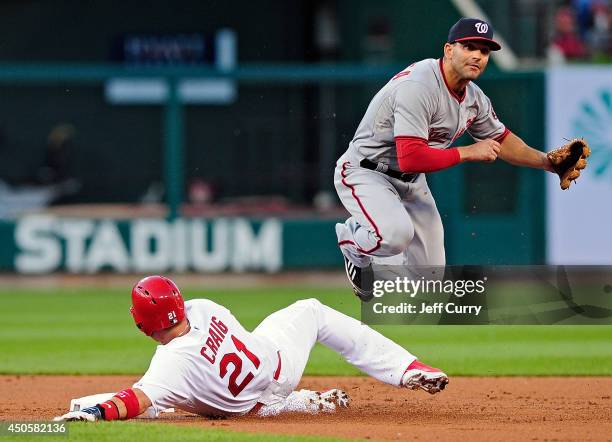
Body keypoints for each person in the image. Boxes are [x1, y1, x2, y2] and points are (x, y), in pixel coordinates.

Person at [335, 18, 556, 300]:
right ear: (449, 50)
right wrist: (468, 152)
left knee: (429, 278)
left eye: (485, 51)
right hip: (367, 170)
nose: (477, 55)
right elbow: (411, 158)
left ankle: (380, 262)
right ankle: (354, 241)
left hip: (410, 183)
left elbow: (503, 140)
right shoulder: (419, 85)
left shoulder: (474, 98)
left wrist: (547, 162)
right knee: (394, 236)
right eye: (469, 47)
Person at [54, 275, 448, 422]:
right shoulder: (204, 308)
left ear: (141, 326)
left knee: (159, 399)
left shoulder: (168, 368)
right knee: (312, 311)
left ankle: (81, 412)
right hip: (280, 362)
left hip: (251, 405)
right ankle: (407, 367)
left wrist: (99, 411)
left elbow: (136, 400)